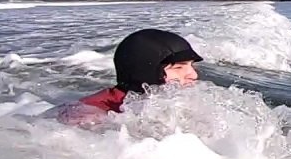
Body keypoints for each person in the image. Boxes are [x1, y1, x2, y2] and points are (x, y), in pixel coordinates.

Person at [57, 29, 203, 124]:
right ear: (144, 72)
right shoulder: (88, 117)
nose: (193, 75)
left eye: (192, 66)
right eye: (178, 67)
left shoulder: (163, 104)